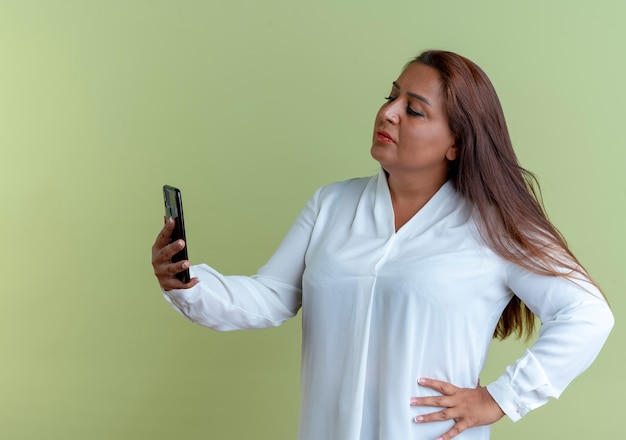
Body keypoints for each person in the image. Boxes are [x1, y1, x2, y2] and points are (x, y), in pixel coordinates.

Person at [151, 50, 613, 440]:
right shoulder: (332, 204)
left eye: (414, 109)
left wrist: (498, 399)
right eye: (391, 95)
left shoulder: (493, 224)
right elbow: (270, 297)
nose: (388, 112)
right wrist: (188, 284)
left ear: (456, 142)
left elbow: (589, 315)